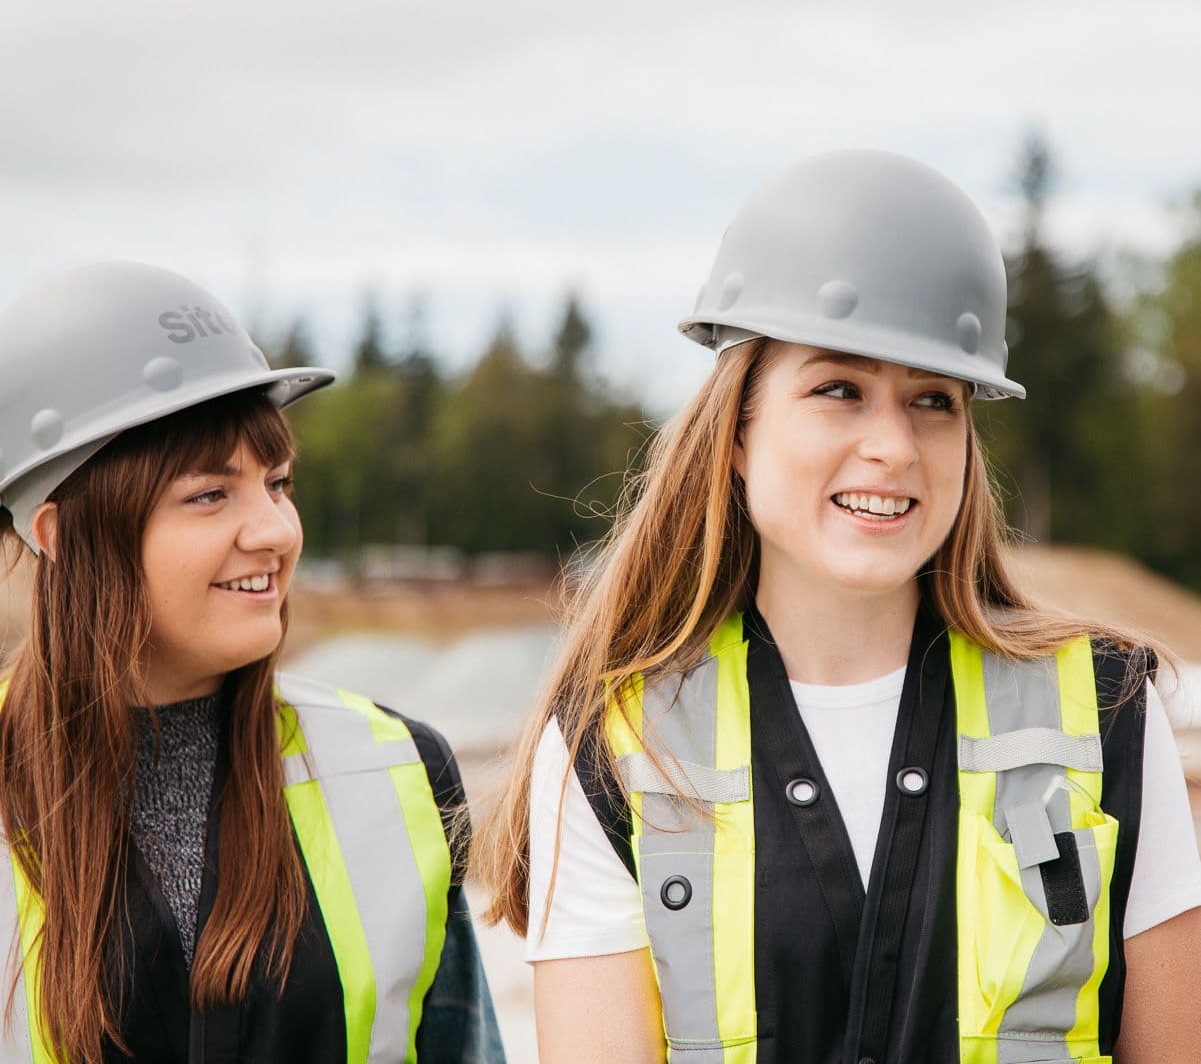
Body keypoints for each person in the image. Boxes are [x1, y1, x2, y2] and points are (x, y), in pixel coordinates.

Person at [476, 149, 1201, 1064]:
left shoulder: (1106, 715)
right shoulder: (616, 746)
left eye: (932, 400)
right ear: (736, 432)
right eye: (837, 390)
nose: (892, 445)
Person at [0, 262, 506, 1064]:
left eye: (278, 483)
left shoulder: (395, 772)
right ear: (59, 533)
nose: (274, 530)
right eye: (210, 494)